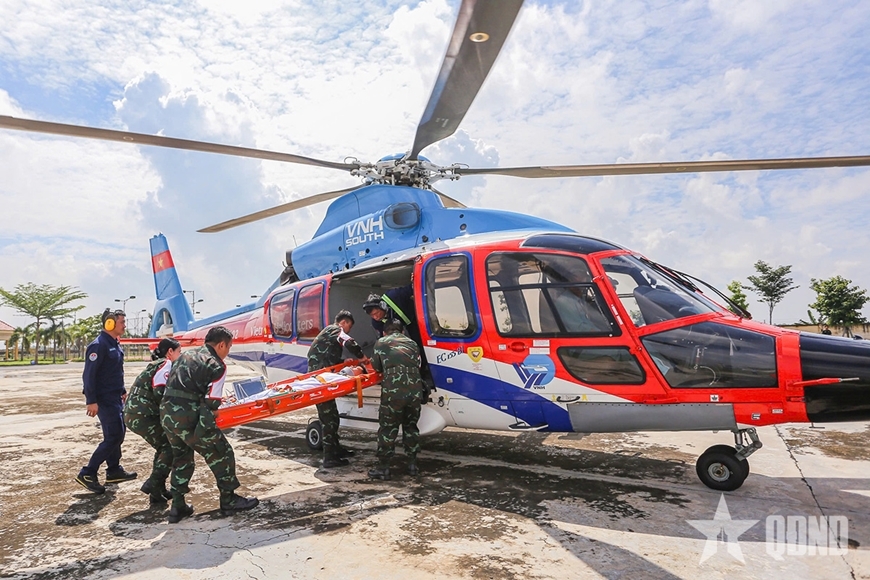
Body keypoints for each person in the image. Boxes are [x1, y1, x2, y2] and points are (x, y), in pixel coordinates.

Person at [160, 326, 258, 523]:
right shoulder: (217, 365)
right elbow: (212, 402)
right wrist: (202, 430)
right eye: (228, 347)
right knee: (222, 452)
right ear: (221, 344)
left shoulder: (185, 355)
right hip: (189, 417)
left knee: (181, 458)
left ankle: (177, 506)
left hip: (167, 414)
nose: (227, 352)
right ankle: (229, 500)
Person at [75, 309, 137, 494]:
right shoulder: (98, 345)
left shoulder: (114, 344)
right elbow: (89, 375)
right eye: (122, 322)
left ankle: (114, 470)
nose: (124, 325)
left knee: (118, 432)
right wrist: (91, 400)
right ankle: (88, 472)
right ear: (109, 323)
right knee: (114, 436)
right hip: (104, 400)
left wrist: (123, 391)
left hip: (115, 397)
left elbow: (114, 372)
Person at [124, 338, 181, 504]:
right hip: (142, 415)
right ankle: (153, 483)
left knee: (162, 447)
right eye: (179, 352)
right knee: (170, 447)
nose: (181, 355)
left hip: (135, 413)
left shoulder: (158, 364)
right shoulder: (166, 364)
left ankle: (158, 492)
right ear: (170, 352)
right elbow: (160, 391)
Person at [307, 310, 366, 468]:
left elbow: (326, 357)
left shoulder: (329, 335)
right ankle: (329, 458)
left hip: (322, 379)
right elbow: (348, 341)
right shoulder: (334, 329)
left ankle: (335, 450)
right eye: (349, 327)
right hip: (319, 382)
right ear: (344, 323)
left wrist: (342, 361)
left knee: (333, 417)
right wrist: (361, 357)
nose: (348, 330)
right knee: (329, 420)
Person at [368, 319, 424, 480]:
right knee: (411, 427)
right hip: (414, 392)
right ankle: (412, 465)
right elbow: (418, 365)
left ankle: (384, 468)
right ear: (402, 332)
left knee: (388, 428)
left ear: (385, 332)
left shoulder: (382, 342)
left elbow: (377, 367)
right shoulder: (413, 344)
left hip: (394, 393)